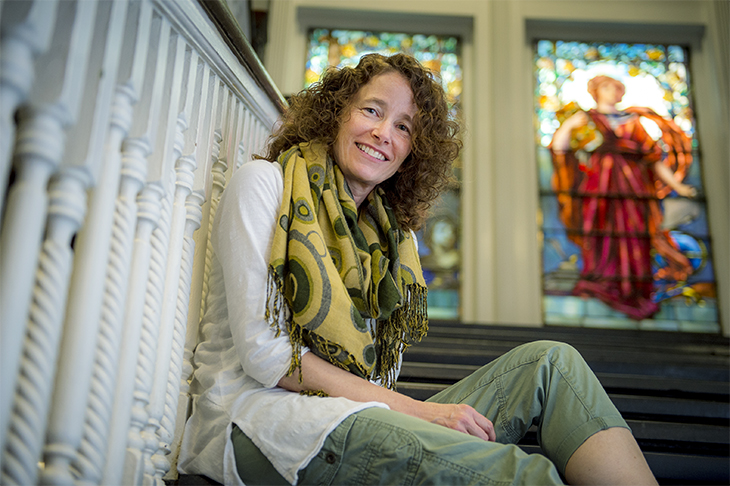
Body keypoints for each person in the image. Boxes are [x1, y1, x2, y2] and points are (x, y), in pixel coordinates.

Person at [178, 54, 657, 485]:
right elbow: (265, 356)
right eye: (371, 110)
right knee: (524, 474)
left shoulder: (391, 238)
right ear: (336, 113)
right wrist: (425, 414)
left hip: (347, 415)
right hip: (257, 424)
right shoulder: (266, 184)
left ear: (413, 153)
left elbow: (379, 383)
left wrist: (419, 414)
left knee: (553, 363)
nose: (384, 133)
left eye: (405, 127)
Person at [551, 75, 695, 321]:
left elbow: (653, 158)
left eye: (617, 88)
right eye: (607, 87)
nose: (613, 92)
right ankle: (601, 281)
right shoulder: (586, 119)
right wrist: (567, 126)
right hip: (599, 189)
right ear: (596, 92)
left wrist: (677, 186)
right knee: (600, 232)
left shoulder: (634, 121)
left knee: (634, 233)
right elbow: (559, 148)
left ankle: (635, 288)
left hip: (633, 189)